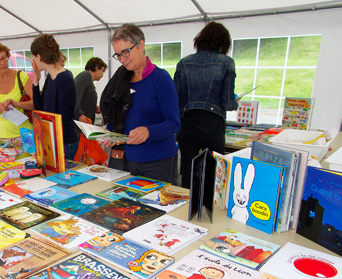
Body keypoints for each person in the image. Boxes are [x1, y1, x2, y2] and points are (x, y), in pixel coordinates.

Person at [100, 24, 180, 183]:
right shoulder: (121, 79)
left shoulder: (161, 79)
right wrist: (110, 134)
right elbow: (119, 117)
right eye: (118, 55)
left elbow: (174, 123)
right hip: (127, 161)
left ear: (141, 45)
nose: (122, 59)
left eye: (126, 52)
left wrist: (148, 131)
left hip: (158, 163)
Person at [174, 21, 239, 189]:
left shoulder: (184, 62)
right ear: (224, 42)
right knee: (214, 171)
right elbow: (227, 103)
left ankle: (187, 207)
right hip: (212, 126)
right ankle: (210, 209)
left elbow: (177, 99)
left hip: (186, 125)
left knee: (187, 169)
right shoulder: (226, 63)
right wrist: (235, 103)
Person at [30, 34, 77, 160]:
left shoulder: (64, 79)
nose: (33, 61)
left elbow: (65, 120)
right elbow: (40, 110)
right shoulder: (50, 77)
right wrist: (36, 82)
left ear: (38, 57)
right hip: (53, 141)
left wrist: (49, 147)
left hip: (64, 143)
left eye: (33, 57)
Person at [0, 41, 34, 147]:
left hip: (26, 135)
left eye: (4, 57)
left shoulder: (21, 77)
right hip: (1, 138)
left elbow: (36, 103)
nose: (2, 62)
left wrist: (17, 104)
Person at [74, 57, 107, 124]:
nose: (102, 75)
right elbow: (75, 96)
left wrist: (94, 107)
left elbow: (84, 100)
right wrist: (79, 114)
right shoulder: (86, 75)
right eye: (103, 71)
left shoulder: (89, 81)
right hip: (80, 123)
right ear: (96, 68)